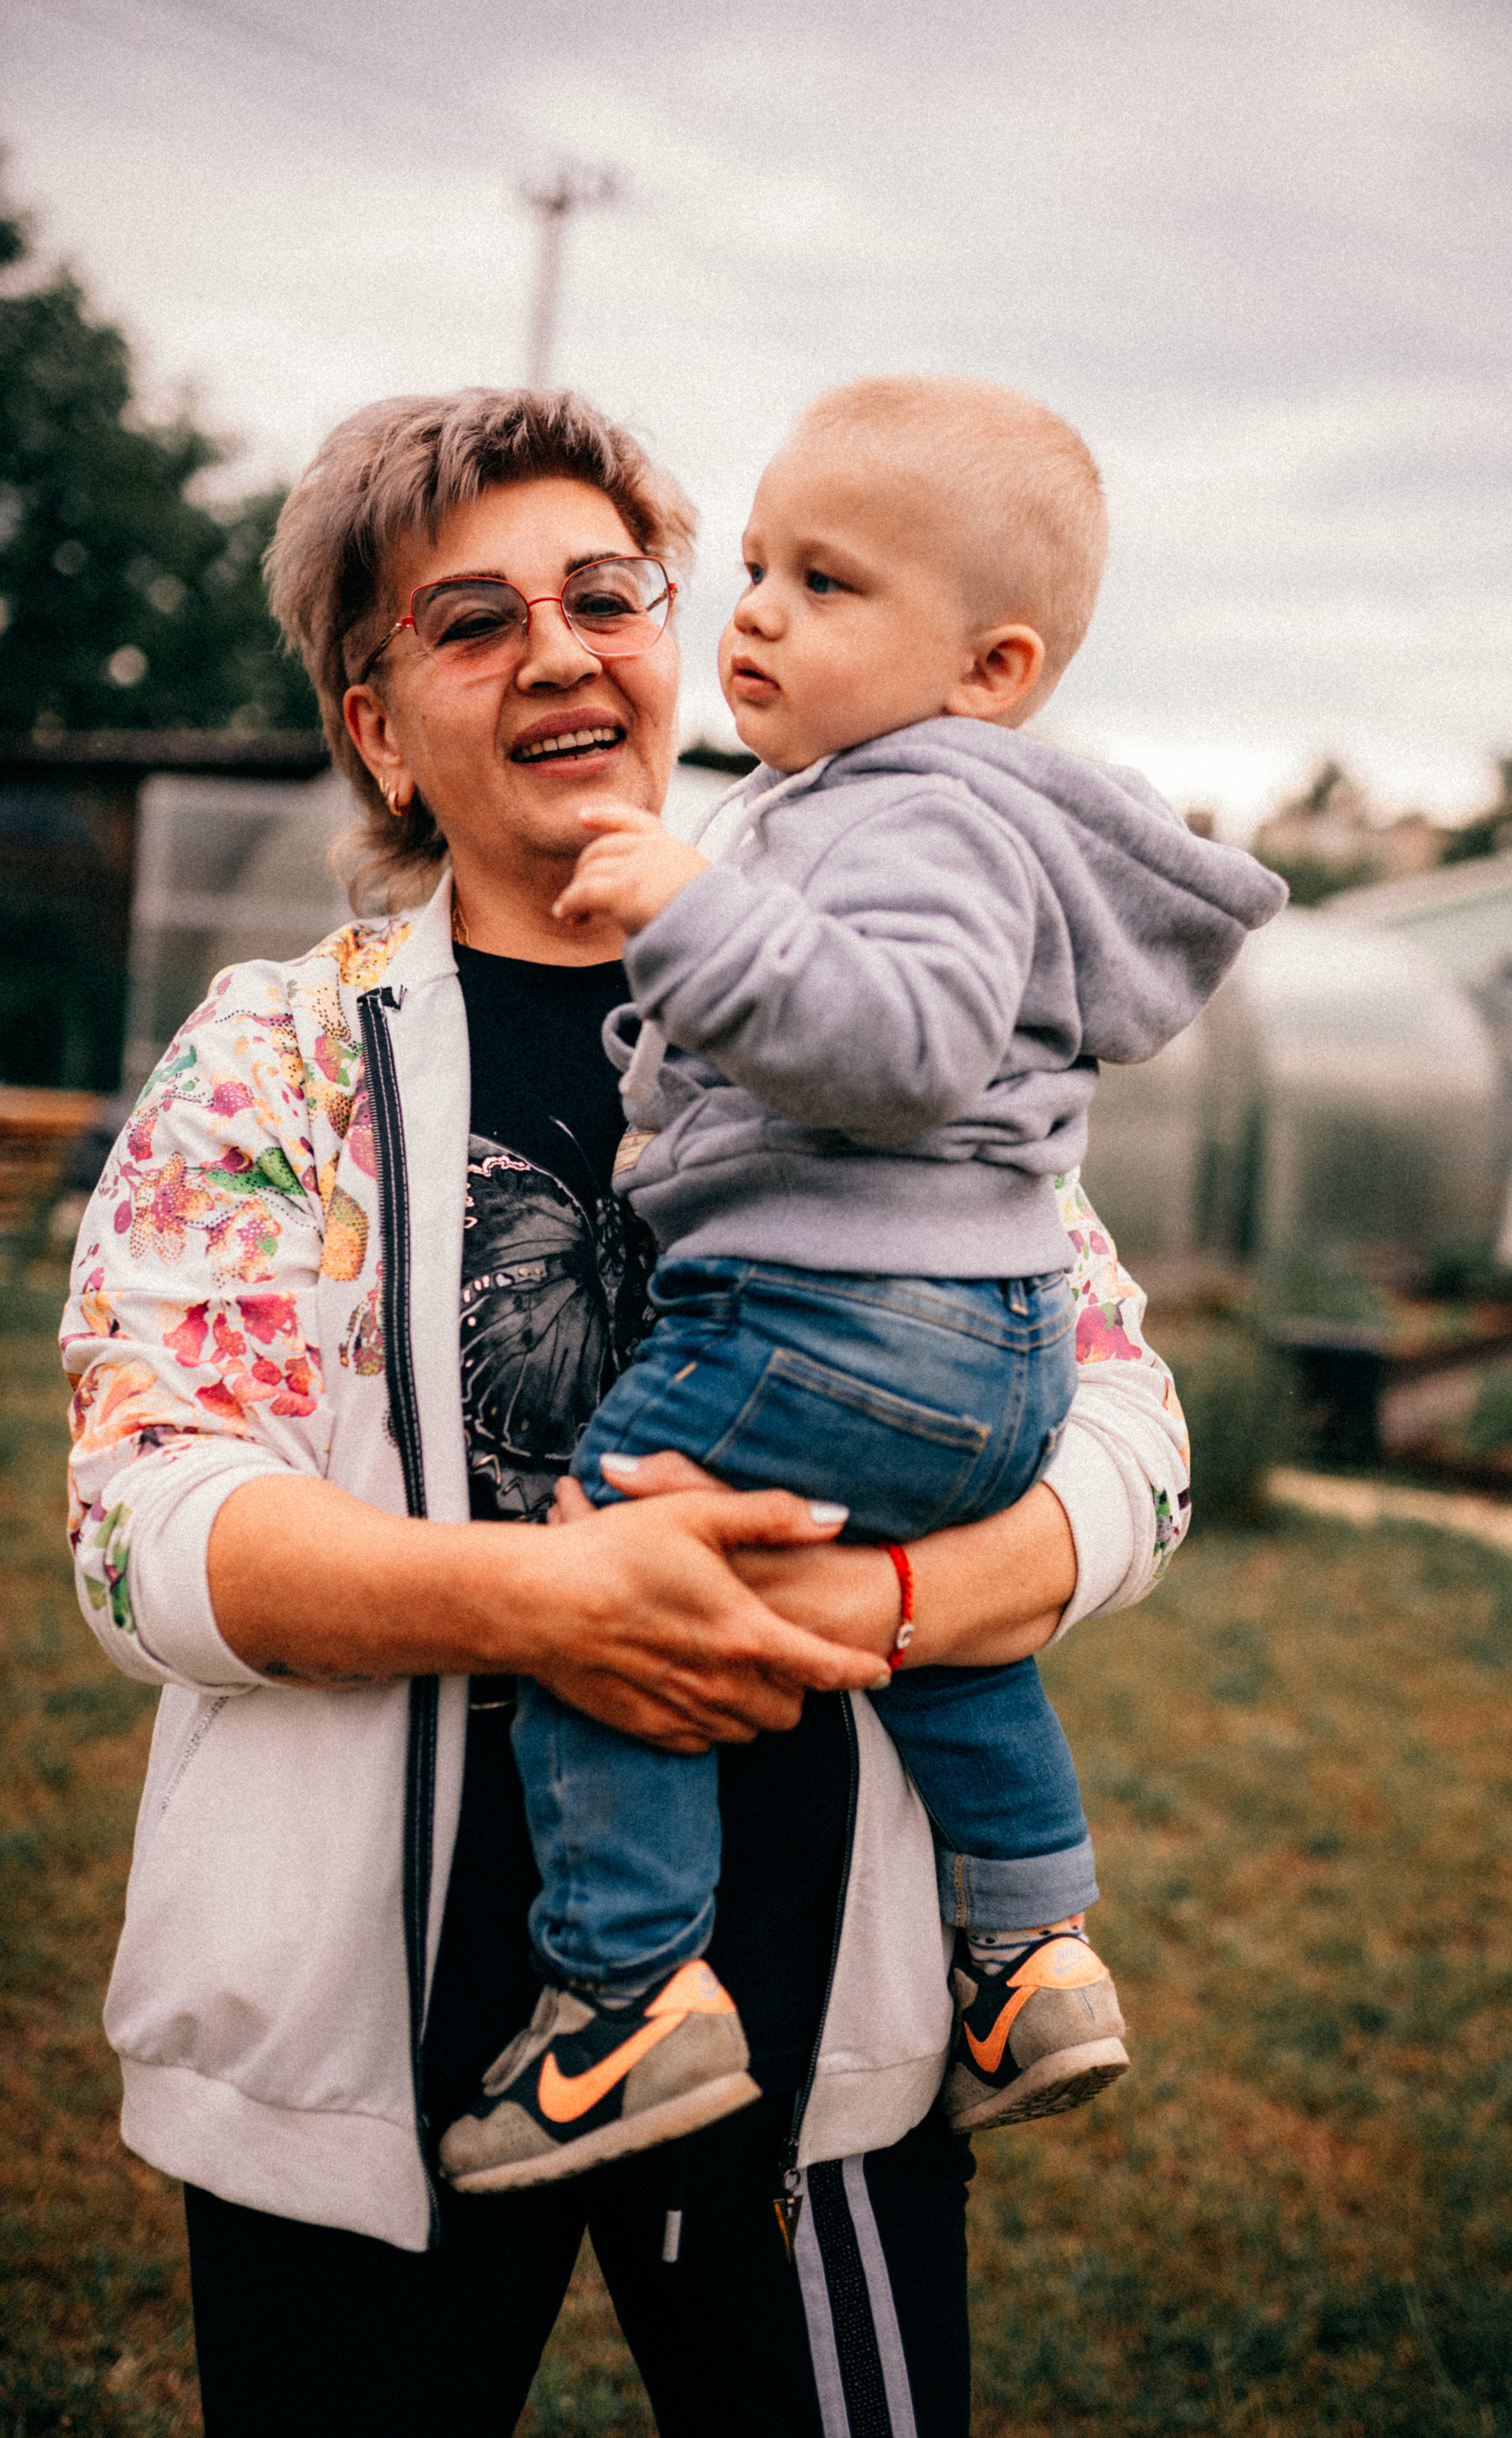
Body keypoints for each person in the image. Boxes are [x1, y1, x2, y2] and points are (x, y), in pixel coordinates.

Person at [62, 385, 1192, 2438]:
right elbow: (146, 1528)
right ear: (381, 724)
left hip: (811, 1979)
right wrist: (550, 1607)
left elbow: (1125, 1428)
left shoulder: (869, 982)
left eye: (608, 593)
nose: (567, 652)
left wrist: (893, 1612)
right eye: (473, 622)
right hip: (370, 2009)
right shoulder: (274, 1061)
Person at [439, 377, 1285, 2196]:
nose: (753, 608)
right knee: (954, 1664)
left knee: (611, 1565)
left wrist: (690, 911)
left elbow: (902, 1047)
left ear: (989, 669)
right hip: (985, 1353)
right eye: (752, 563)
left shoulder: (917, 812)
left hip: (829, 1319)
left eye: (826, 583)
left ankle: (627, 2001)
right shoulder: (895, 810)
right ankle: (1029, 1955)